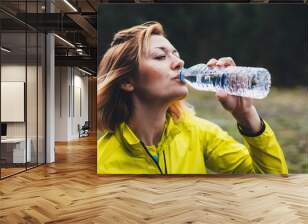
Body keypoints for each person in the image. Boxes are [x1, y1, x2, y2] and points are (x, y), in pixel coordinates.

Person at [97, 21, 288, 174]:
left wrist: (246, 116)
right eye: (160, 57)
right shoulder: (102, 160)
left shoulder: (198, 132)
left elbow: (271, 181)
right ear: (127, 82)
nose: (179, 62)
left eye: (175, 54)